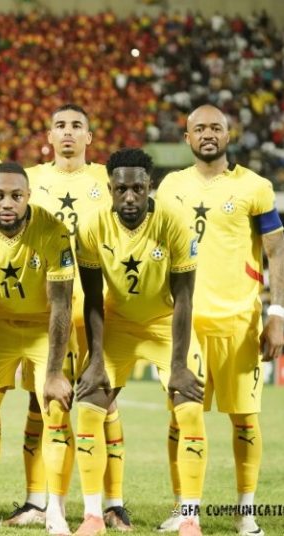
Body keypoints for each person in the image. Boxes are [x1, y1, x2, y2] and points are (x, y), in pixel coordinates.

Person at [156, 104, 284, 536]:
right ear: (187, 138)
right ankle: (185, 508)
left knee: (245, 418)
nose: (208, 134)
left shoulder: (255, 187)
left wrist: (277, 314)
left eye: (216, 128)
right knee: (182, 416)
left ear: (229, 135)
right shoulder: (170, 187)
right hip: (183, 325)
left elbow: (277, 252)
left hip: (239, 323)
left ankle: (246, 512)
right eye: (199, 128)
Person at [74, 148, 206, 536]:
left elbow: (184, 297)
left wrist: (179, 366)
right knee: (89, 406)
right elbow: (93, 298)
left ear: (150, 186)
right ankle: (93, 515)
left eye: (138, 188)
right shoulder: (92, 226)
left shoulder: (174, 222)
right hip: (118, 323)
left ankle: (190, 518)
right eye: (121, 189)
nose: (130, 197)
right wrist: (96, 359)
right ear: (110, 190)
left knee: (190, 409)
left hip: (166, 324)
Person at [11, 104, 128, 529]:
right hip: (46, 311)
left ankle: (113, 503)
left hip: (96, 307)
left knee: (105, 400)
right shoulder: (30, 180)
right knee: (40, 401)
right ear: (49, 135)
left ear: (89, 137)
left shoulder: (106, 181)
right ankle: (35, 501)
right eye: (60, 125)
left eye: (77, 126)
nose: (68, 132)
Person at [0, 162, 75, 532]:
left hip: (43, 327)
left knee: (56, 408)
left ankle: (55, 510)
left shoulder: (53, 231)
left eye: (16, 196)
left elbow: (61, 305)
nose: (7, 203)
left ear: (28, 197)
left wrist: (54, 373)